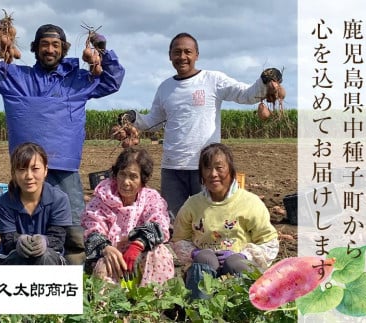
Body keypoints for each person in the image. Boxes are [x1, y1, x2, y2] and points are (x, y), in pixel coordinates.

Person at [0, 22, 125, 263]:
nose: (50, 49)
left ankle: (75, 278)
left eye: (56, 45)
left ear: (64, 49)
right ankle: (22, 272)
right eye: (44, 44)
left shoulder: (79, 79)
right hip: (27, 169)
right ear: (35, 49)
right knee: (24, 224)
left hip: (64, 169)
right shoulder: (15, 77)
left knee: (74, 230)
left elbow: (111, 81)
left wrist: (103, 51)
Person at [117, 32, 283, 220]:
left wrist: (265, 81)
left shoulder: (213, 80)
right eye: (177, 52)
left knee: (209, 220)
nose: (182, 57)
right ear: (170, 55)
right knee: (173, 221)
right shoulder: (165, 87)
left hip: (205, 166)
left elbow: (245, 94)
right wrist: (133, 118)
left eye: (188, 52)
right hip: (172, 167)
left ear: (197, 55)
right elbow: (153, 122)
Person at [171, 143, 279, 299]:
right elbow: (179, 239)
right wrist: (194, 252)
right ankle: (200, 310)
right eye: (207, 168)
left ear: (231, 171)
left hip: (237, 268)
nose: (213, 174)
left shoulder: (250, 203)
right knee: (204, 259)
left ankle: (241, 308)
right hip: (205, 271)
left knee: (235, 263)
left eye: (219, 168)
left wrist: (244, 256)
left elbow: (270, 243)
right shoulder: (192, 205)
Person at [81, 147, 175, 286]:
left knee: (159, 253)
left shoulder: (151, 198)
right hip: (112, 255)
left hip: (141, 255)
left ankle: (153, 303)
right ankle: (109, 306)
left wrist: (137, 244)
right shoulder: (102, 198)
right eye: (122, 174)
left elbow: (159, 224)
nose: (126, 182)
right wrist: (106, 248)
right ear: (115, 174)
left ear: (143, 179)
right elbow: (92, 228)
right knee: (104, 265)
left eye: (133, 176)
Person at [0, 142, 72, 265]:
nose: (29, 176)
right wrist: (18, 241)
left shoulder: (59, 199)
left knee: (44, 256)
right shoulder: (3, 203)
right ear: (14, 173)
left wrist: (45, 241)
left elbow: (58, 238)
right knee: (18, 257)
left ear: (45, 170)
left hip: (50, 258)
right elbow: (7, 241)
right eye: (22, 169)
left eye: (35, 169)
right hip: (13, 257)